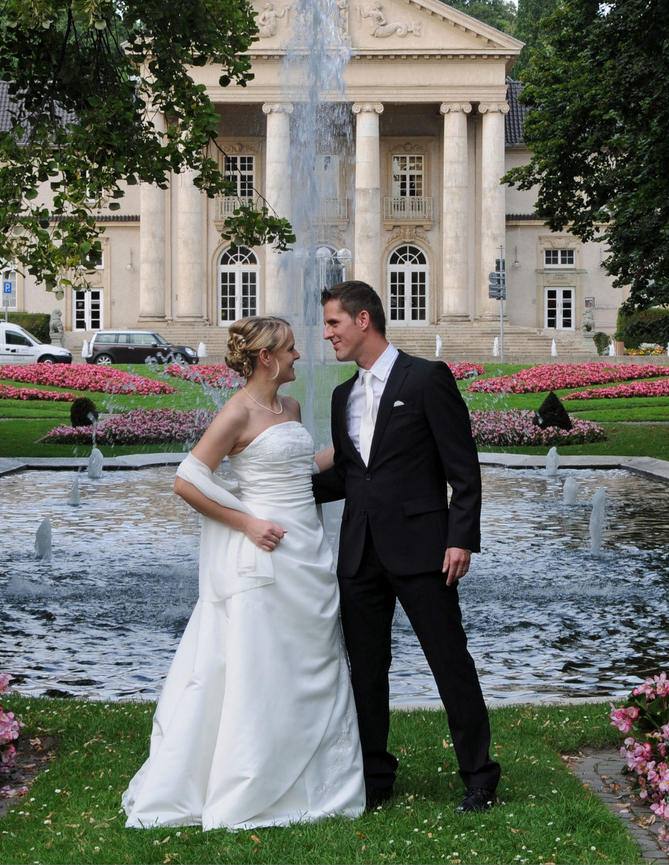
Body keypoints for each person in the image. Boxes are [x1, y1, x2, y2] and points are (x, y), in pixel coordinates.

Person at [122, 316, 365, 831]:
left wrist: (362, 447)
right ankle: (251, 782)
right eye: (292, 349)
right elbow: (188, 481)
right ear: (266, 357)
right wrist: (248, 523)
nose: (300, 356)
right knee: (262, 665)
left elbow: (301, 469)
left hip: (308, 549)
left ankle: (323, 782)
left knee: (313, 659)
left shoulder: (291, 408)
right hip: (265, 551)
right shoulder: (235, 412)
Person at [313, 281, 501, 813]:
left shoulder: (427, 378)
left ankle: (480, 776)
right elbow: (353, 475)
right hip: (359, 555)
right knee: (366, 671)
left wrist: (461, 537)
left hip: (424, 551)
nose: (327, 334)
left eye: (334, 323)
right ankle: (375, 779)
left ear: (363, 320)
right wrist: (280, 493)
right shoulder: (340, 395)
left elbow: (463, 469)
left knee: (449, 662)